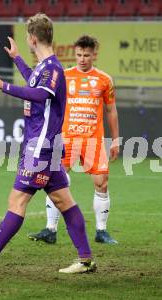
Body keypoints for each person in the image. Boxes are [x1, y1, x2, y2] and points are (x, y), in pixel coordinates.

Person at [0, 14, 96, 274]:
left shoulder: (53, 68)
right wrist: (17, 58)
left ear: (33, 39)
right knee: (64, 201)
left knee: (17, 200)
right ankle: (86, 259)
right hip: (45, 145)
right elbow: (35, 81)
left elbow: (40, 93)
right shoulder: (45, 68)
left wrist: (4, 85)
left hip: (41, 146)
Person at [28, 35, 120, 245]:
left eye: (86, 55)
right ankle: (50, 229)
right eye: (79, 54)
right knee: (54, 181)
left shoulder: (104, 79)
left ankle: (101, 231)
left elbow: (111, 110)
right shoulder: (64, 76)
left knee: (101, 183)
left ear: (94, 55)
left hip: (92, 141)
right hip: (66, 139)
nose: (82, 59)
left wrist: (115, 140)